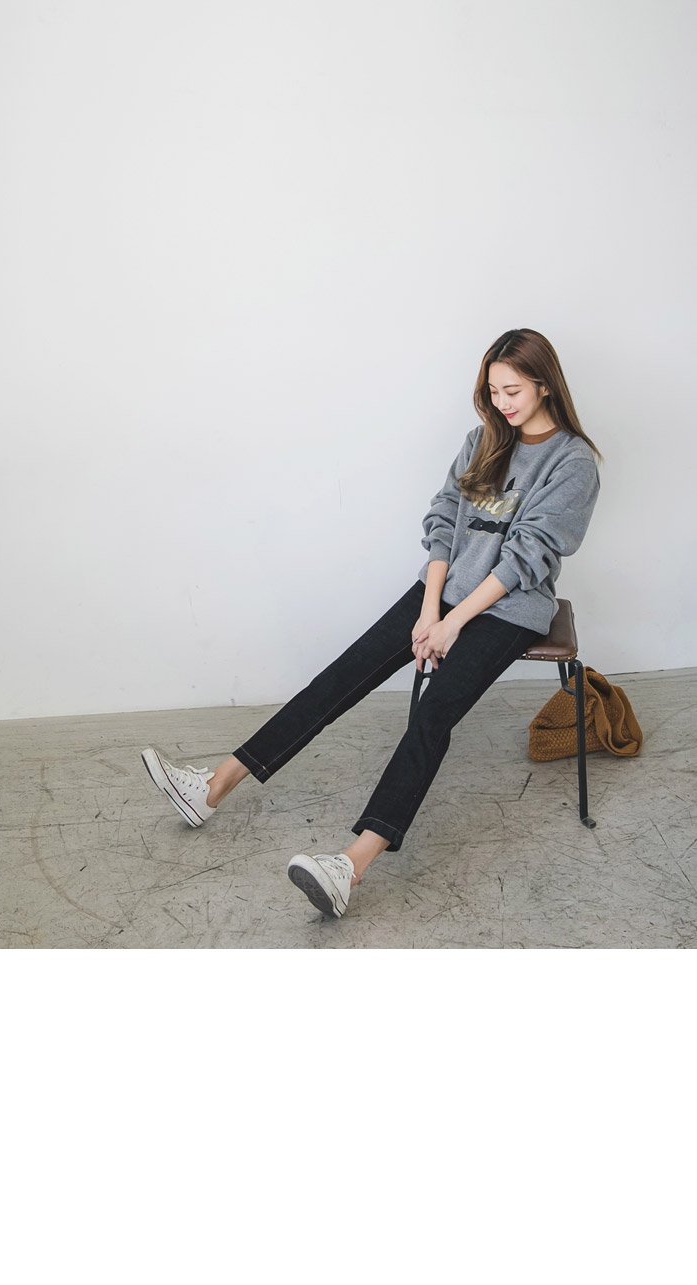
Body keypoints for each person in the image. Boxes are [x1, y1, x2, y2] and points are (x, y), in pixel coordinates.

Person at [142, 328, 602, 918]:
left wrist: (454, 623)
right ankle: (212, 787)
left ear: (544, 384)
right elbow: (444, 521)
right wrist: (431, 607)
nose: (502, 402)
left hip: (508, 609)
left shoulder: (572, 462)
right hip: (443, 593)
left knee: (433, 712)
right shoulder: (483, 439)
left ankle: (350, 866)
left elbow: (525, 558)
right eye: (493, 391)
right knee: (344, 674)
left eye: (512, 390)